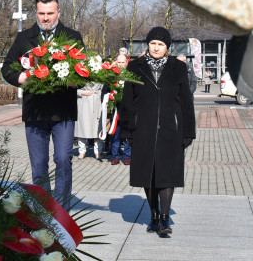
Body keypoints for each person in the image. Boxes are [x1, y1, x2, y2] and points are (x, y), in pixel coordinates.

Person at [1, 0, 84, 203]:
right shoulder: (24, 38)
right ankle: (43, 205)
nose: (46, 18)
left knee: (63, 158)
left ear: (58, 12)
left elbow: (85, 72)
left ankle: (62, 205)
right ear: (36, 13)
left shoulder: (73, 37)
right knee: (39, 163)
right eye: (41, 13)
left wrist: (76, 81)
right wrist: (20, 77)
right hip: (35, 111)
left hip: (63, 110)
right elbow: (7, 68)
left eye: (50, 13)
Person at [120, 26, 196, 236]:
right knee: (147, 174)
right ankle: (153, 215)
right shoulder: (135, 66)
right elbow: (127, 101)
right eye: (152, 43)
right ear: (148, 45)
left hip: (170, 128)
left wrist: (189, 130)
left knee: (167, 174)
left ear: (167, 47)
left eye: (160, 44)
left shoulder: (178, 68)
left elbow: (186, 102)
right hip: (142, 128)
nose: (156, 48)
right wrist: (126, 130)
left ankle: (164, 219)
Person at [110, 54, 131, 165]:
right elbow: (105, 90)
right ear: (116, 62)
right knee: (115, 134)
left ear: (127, 63)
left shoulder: (130, 75)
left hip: (128, 110)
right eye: (119, 62)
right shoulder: (111, 75)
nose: (121, 64)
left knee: (127, 134)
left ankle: (127, 156)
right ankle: (115, 156)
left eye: (123, 62)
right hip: (115, 110)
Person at [75, 82, 104, 160]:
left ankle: (98, 151)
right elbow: (72, 88)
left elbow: (107, 88)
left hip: (98, 101)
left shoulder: (103, 71)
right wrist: (82, 92)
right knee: (82, 127)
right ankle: (81, 150)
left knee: (98, 128)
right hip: (83, 101)